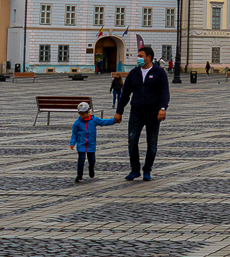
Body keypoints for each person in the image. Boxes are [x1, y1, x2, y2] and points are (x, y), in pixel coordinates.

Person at [117, 44, 170, 181]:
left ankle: (147, 170)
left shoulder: (159, 72)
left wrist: (162, 108)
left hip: (153, 113)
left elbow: (165, 92)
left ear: (149, 57)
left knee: (152, 143)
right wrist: (119, 111)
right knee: (132, 141)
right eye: (138, 56)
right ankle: (135, 170)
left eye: (141, 56)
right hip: (136, 113)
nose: (138, 59)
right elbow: (125, 94)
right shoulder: (134, 73)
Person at [69, 101, 117, 183]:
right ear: (79, 114)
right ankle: (79, 175)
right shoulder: (77, 123)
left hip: (91, 144)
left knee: (92, 160)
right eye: (82, 114)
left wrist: (114, 120)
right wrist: (72, 143)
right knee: (81, 160)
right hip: (81, 144)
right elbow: (74, 134)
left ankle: (91, 168)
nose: (84, 116)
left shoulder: (94, 120)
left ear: (89, 111)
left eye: (86, 113)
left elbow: (104, 122)